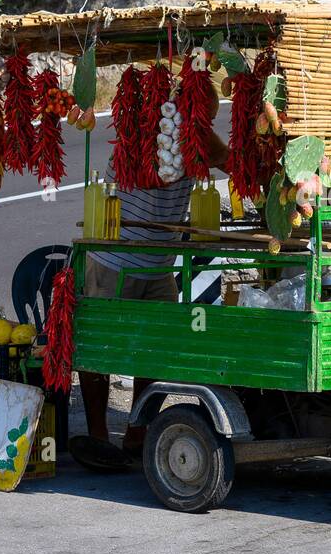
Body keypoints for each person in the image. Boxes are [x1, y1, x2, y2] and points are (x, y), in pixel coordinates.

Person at [69, 80, 229, 471]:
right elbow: (228, 161)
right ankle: (99, 436)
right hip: (114, 258)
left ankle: (138, 431)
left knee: (156, 348)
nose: (206, 124)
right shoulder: (149, 128)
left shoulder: (195, 137)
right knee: (98, 346)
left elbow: (225, 160)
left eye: (208, 119)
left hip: (157, 262)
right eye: (203, 116)